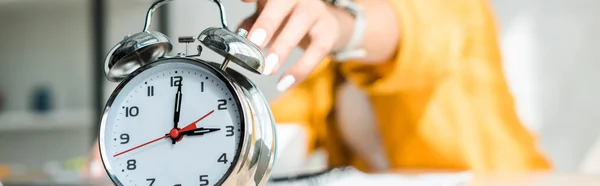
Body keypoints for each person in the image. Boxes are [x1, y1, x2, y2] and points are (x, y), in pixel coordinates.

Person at [87, 0, 550, 178]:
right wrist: (137, 145)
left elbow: (411, 35)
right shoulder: (326, 72)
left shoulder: (455, 11)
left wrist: (339, 25)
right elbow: (265, 125)